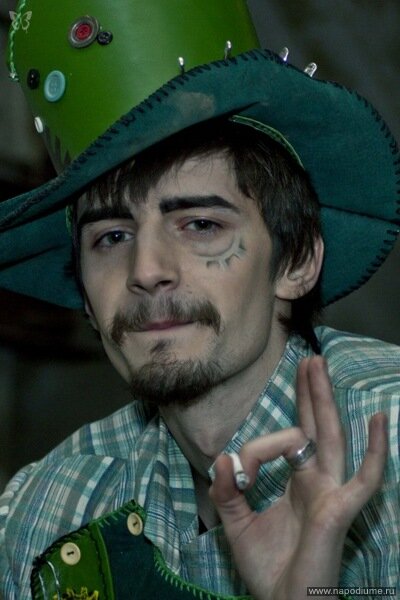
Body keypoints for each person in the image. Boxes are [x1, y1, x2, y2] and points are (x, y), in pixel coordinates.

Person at [0, 1, 399, 599]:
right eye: (111, 238)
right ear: (84, 295)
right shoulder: (44, 510)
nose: (146, 271)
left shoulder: (390, 454)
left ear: (296, 262)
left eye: (201, 225)